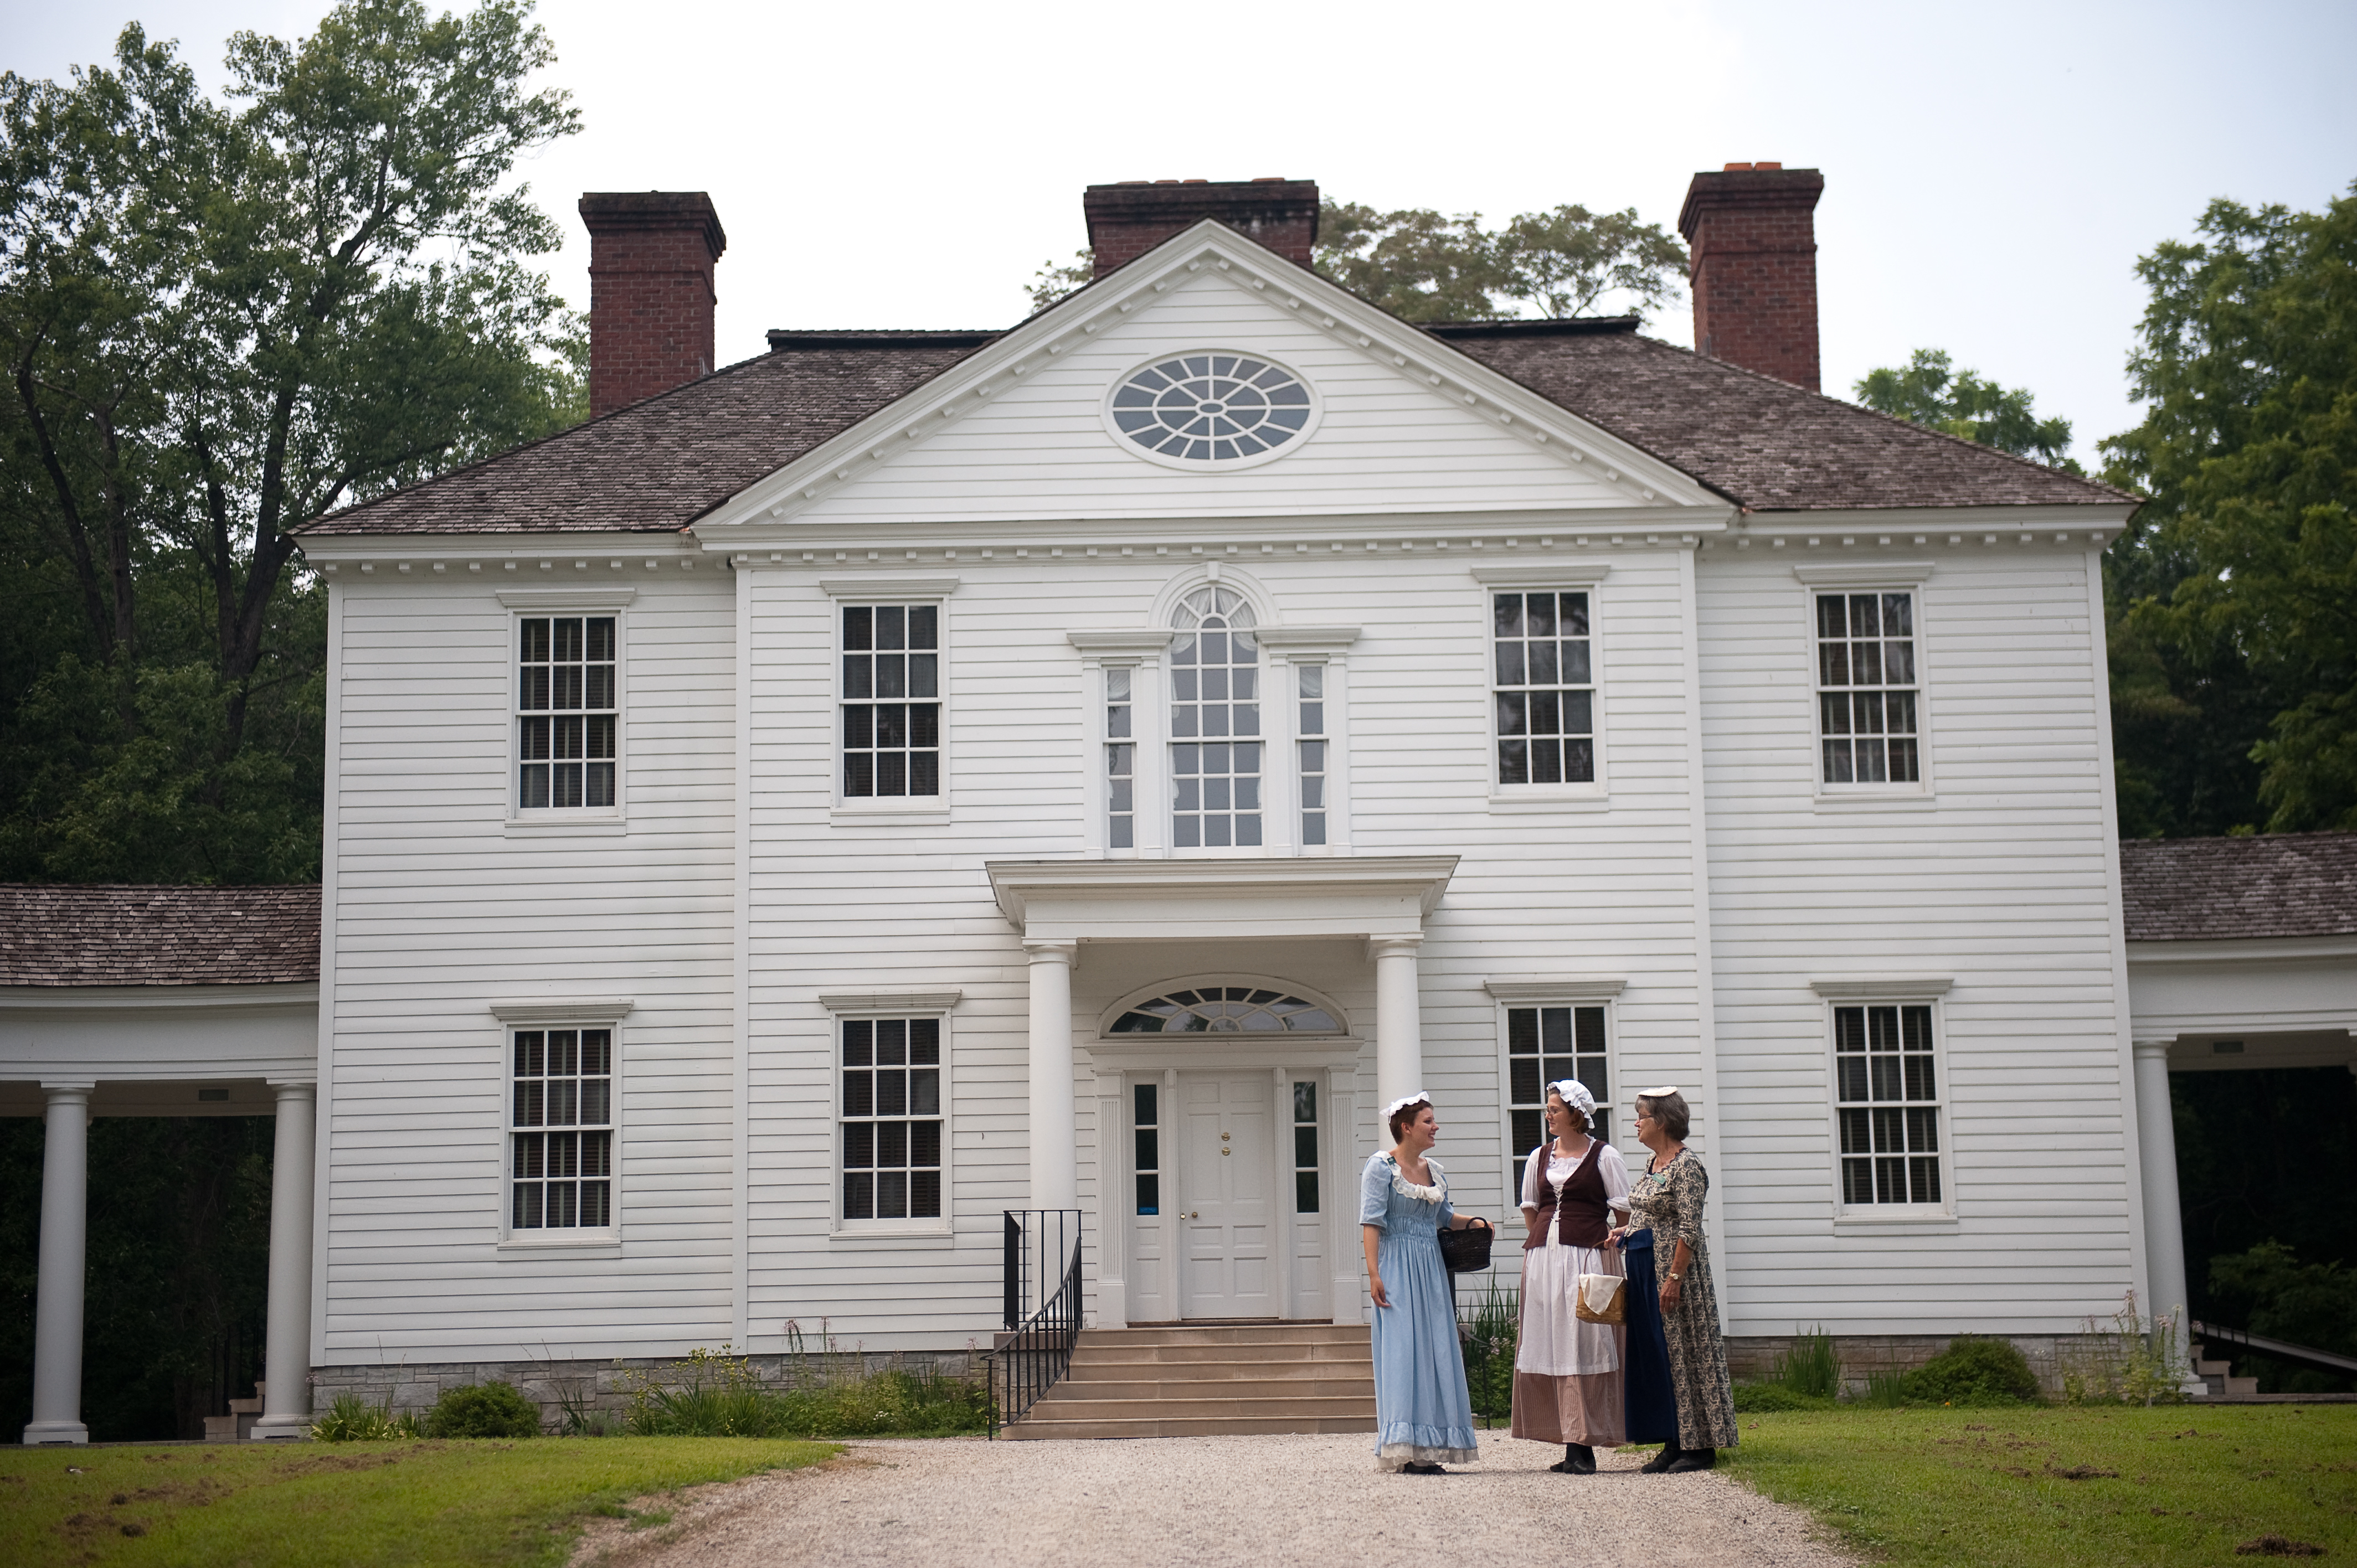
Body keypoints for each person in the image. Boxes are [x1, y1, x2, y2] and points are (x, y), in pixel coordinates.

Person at [1361, 1091, 1491, 1474]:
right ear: (1407, 1128)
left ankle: (1430, 1446)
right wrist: (1374, 1274)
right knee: (1404, 1353)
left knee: (1435, 1350)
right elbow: (1371, 1221)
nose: (1436, 1127)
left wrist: (1476, 1223)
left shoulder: (1435, 1169)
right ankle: (1406, 1448)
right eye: (1428, 1121)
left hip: (1431, 1268)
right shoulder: (1381, 1167)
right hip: (1397, 1265)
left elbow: (1444, 1216)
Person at [1613, 1086, 1738, 1472]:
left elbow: (1689, 1228)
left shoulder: (1687, 1167)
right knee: (1658, 1357)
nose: (1636, 1122)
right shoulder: (1654, 1164)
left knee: (1684, 1354)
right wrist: (1625, 1234)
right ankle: (1673, 1439)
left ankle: (1700, 1446)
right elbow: (1647, 1215)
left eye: (1642, 1116)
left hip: (1673, 1275)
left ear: (1662, 1121)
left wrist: (1675, 1277)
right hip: (1644, 1269)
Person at [1511, 1080, 1630, 1474]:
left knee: (1585, 1344)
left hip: (1588, 1259)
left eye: (1554, 1110)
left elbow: (1624, 1216)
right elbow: (1532, 1211)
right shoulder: (1538, 1157)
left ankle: (1584, 1444)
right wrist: (1551, 1237)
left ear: (1576, 1114)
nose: (1548, 1115)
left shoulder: (1604, 1155)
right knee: (1553, 1342)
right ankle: (1571, 1444)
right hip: (1545, 1260)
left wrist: (1601, 1244)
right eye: (1548, 1109)